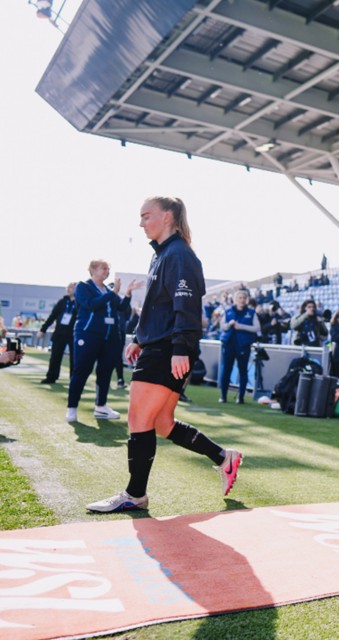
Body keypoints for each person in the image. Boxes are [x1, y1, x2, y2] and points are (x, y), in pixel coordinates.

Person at [87, 197, 242, 513]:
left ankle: (135, 493)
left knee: (139, 419)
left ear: (167, 217)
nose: (141, 222)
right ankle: (224, 457)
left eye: (146, 215)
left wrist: (180, 349)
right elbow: (159, 307)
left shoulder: (180, 255)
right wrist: (139, 339)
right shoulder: (162, 256)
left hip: (168, 350)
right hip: (157, 345)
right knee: (161, 422)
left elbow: (186, 306)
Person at [66, 260, 141, 422]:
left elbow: (121, 308)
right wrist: (113, 292)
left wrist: (127, 293)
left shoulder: (108, 290)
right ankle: (72, 408)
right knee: (81, 370)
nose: (107, 272)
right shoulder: (83, 287)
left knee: (105, 371)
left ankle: (101, 407)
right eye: (104, 269)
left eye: (108, 269)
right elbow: (92, 305)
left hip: (110, 337)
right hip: (88, 335)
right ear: (93, 270)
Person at [218, 290, 260, 404]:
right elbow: (222, 327)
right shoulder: (228, 311)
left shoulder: (251, 312)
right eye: (239, 298)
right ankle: (223, 396)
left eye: (243, 298)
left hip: (243, 345)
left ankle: (240, 397)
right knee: (226, 370)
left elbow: (257, 328)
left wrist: (241, 326)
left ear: (246, 299)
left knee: (243, 371)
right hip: (229, 344)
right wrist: (229, 325)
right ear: (235, 299)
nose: (241, 300)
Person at [38, 282, 78, 385]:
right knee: (55, 357)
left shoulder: (80, 303)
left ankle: (73, 380)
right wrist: (43, 329)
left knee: (74, 359)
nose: (69, 289)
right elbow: (53, 316)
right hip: (59, 333)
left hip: (74, 334)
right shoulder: (62, 302)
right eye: (68, 287)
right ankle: (51, 377)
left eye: (71, 288)